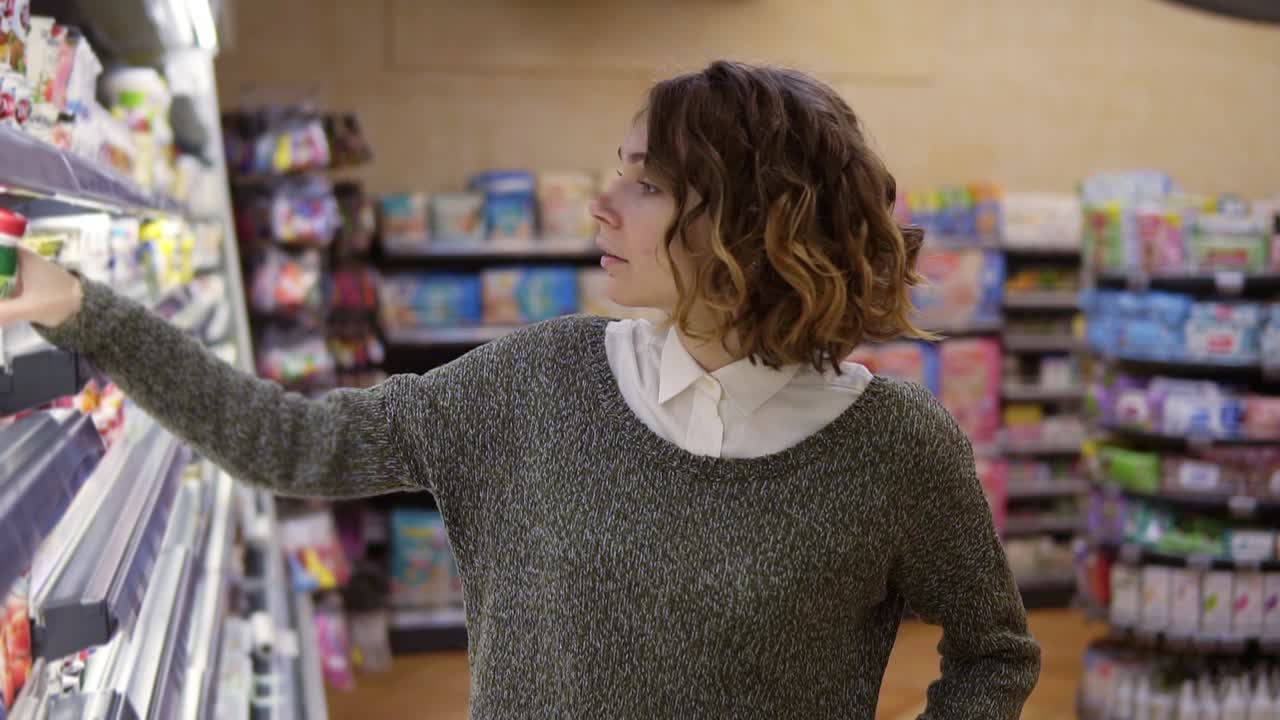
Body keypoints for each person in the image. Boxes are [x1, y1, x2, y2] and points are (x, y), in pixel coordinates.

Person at [2, 61, 1039, 717]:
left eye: (640, 181)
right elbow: (292, 444)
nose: (599, 206)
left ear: (742, 218)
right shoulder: (537, 382)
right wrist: (75, 304)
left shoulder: (898, 447)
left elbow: (992, 656)